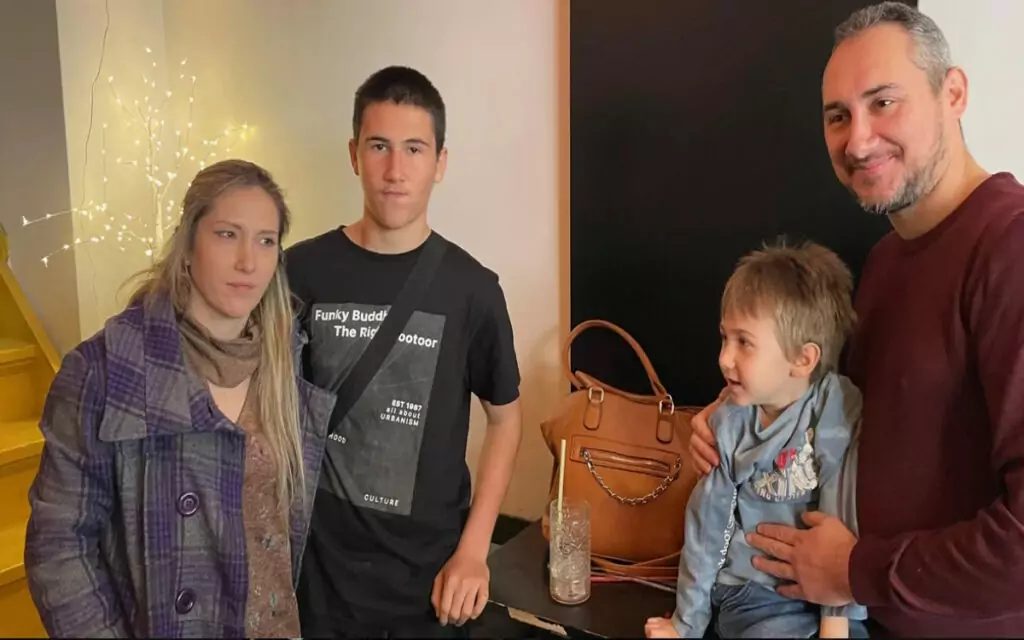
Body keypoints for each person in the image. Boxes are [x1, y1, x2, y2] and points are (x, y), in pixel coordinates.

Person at [687, 2, 1024, 636]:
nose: (858, 140)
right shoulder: (886, 262)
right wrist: (740, 410)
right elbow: (831, 408)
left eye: (884, 103)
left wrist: (856, 571)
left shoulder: (1010, 248)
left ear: (952, 93)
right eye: (838, 116)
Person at [24, 159, 336, 638]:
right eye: (227, 234)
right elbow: (58, 545)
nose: (248, 262)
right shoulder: (107, 369)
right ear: (188, 245)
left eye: (266, 241)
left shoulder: (285, 363)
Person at [286, 65, 523, 638]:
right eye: (379, 146)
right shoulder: (300, 271)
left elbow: (505, 419)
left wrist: (474, 551)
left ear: (440, 162)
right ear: (354, 154)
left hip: (431, 580)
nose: (395, 170)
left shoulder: (472, 289)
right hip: (319, 576)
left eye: (414, 149)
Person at [644, 241, 866, 639]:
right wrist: (686, 624)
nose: (724, 358)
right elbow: (706, 526)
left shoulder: (835, 407)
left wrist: (834, 624)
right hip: (751, 596)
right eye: (724, 337)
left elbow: (840, 513)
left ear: (803, 359)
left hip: (824, 595)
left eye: (744, 342)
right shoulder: (730, 421)